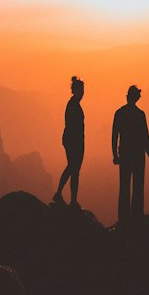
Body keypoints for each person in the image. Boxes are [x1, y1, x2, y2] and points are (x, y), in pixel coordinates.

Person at [111, 84, 149, 226]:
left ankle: (123, 219)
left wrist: (115, 155)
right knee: (138, 186)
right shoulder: (140, 114)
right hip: (138, 155)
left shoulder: (119, 113)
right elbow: (145, 136)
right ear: (137, 98)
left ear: (127, 97)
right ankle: (137, 217)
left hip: (124, 154)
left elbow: (114, 136)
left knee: (124, 186)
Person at [53, 75, 85, 207]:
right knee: (74, 169)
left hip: (72, 140)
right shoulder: (73, 105)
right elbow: (72, 125)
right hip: (73, 141)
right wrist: (77, 142)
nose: (83, 92)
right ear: (75, 90)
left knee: (72, 168)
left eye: (83, 90)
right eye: (81, 90)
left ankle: (61, 194)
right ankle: (71, 200)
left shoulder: (74, 104)